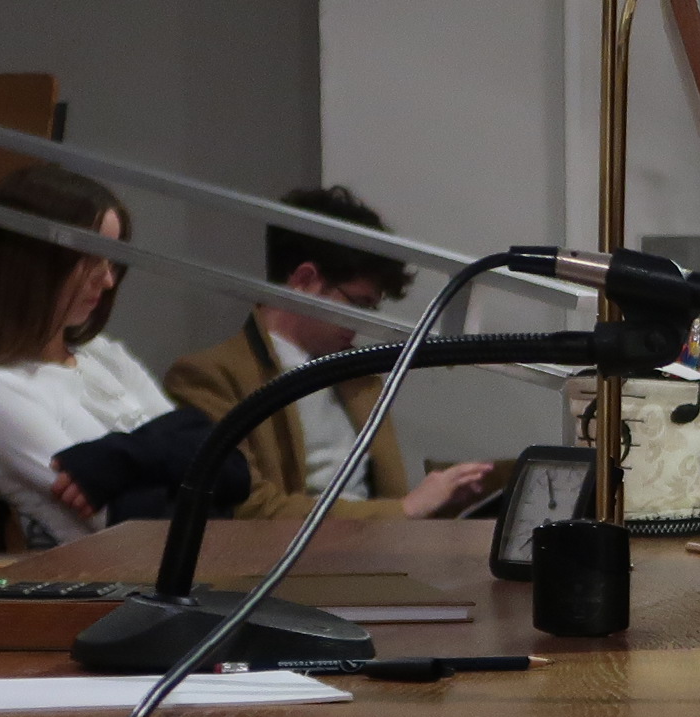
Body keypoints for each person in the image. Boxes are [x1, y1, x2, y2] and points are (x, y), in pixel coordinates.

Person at [162, 184, 494, 521]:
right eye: (358, 304)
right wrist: (405, 510)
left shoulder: (358, 377)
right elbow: (249, 508)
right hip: (292, 552)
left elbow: (388, 498)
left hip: (376, 545)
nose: (361, 323)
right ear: (305, 280)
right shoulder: (209, 376)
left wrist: (436, 503)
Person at [0, 166, 167, 549]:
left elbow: (214, 466)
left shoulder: (105, 355)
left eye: (111, 261)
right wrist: (171, 466)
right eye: (90, 259)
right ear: (34, 260)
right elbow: (127, 518)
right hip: (115, 577)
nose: (107, 280)